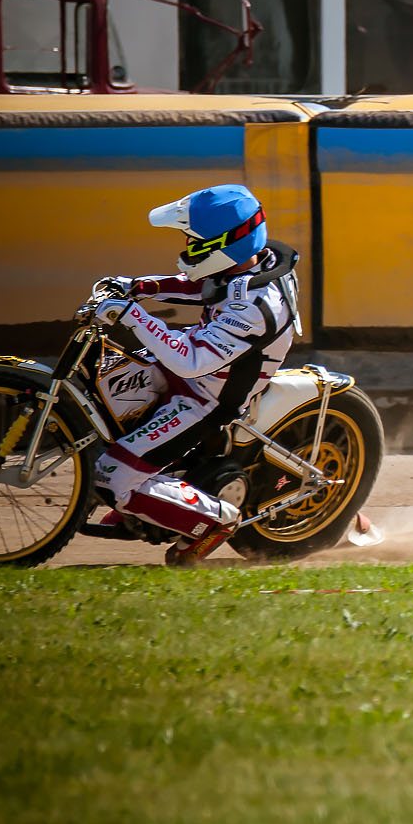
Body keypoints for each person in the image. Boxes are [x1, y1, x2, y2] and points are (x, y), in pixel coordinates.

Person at [88, 184, 300, 565]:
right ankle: (150, 488)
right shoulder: (252, 261)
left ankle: (214, 522)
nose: (186, 246)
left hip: (207, 397)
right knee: (107, 383)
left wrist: (132, 314)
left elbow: (192, 360)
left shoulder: (255, 305)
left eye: (193, 240)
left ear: (224, 244)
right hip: (194, 367)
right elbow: (205, 287)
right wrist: (137, 287)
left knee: (110, 475)